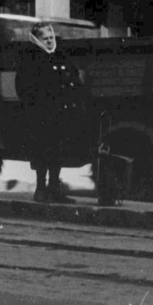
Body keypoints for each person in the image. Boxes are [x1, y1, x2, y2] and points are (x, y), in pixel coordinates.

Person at [15, 22, 90, 203]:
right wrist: (35, 107)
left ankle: (54, 188)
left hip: (61, 115)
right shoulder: (30, 58)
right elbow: (22, 87)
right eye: (45, 38)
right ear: (36, 39)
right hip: (40, 116)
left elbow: (74, 79)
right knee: (42, 152)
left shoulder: (60, 56)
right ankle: (41, 189)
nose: (49, 41)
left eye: (51, 38)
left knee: (58, 152)